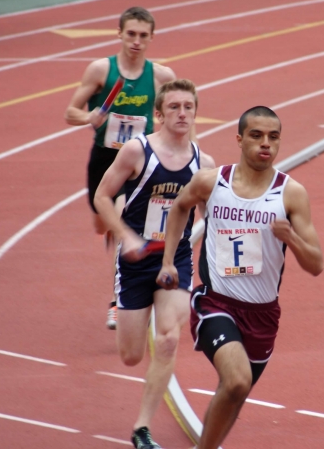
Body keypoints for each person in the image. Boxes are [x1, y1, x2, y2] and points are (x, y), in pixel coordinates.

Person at [158, 106, 324, 449]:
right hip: (216, 304)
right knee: (236, 382)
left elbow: (316, 264)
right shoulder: (211, 182)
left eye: (273, 137)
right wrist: (170, 260)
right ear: (239, 139)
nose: (265, 144)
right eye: (256, 135)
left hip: (263, 315)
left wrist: (291, 238)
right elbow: (178, 208)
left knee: (237, 393)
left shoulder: (291, 193)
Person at [94, 79, 215, 449]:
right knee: (131, 356)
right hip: (134, 261)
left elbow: (212, 219)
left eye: (188, 107)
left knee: (167, 340)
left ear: (196, 112)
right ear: (159, 114)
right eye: (174, 107)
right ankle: (129, 304)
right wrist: (127, 237)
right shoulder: (137, 151)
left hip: (174, 258)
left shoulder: (203, 164)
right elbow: (101, 196)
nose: (182, 113)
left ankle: (141, 429)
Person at [65, 6, 193, 330]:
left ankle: (115, 301)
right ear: (119, 33)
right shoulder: (100, 70)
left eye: (143, 36)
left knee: (122, 220)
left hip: (140, 162)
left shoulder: (161, 75)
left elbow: (176, 108)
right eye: (131, 34)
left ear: (151, 38)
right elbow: (70, 112)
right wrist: (89, 118)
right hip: (105, 157)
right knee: (102, 224)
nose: (136, 41)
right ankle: (113, 233)